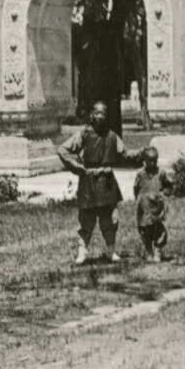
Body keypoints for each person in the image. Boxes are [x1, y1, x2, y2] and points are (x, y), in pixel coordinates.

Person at [57, 101, 142, 265]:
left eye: (104, 113)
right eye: (97, 113)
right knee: (86, 219)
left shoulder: (112, 136)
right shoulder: (84, 134)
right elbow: (63, 150)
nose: (100, 116)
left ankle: (111, 251)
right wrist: (76, 167)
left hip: (107, 182)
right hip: (89, 182)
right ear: (91, 115)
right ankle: (82, 252)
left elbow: (125, 154)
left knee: (109, 219)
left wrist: (141, 153)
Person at [133, 146, 172, 262]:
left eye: (154, 160)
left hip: (157, 207)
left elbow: (169, 185)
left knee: (158, 229)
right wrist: (139, 199)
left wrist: (164, 193)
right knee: (145, 229)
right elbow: (135, 188)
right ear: (144, 160)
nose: (152, 163)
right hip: (144, 207)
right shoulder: (140, 174)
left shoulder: (161, 172)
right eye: (149, 160)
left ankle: (157, 251)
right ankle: (148, 250)